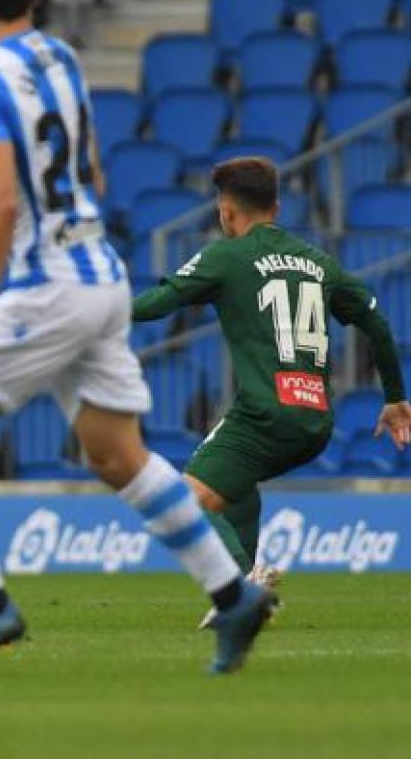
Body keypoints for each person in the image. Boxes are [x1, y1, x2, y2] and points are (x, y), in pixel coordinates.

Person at [0, 0, 270, 676]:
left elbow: (4, 201)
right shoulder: (60, 57)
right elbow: (85, 175)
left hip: (48, 289)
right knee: (118, 456)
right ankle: (233, 594)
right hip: (100, 276)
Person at [132, 156, 411, 626]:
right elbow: (376, 323)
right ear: (276, 208)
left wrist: (97, 313)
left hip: (265, 413)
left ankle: (242, 587)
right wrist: (395, 398)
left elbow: (158, 304)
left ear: (225, 211)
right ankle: (239, 604)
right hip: (316, 421)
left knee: (179, 504)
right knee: (235, 487)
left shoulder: (226, 256)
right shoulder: (318, 262)